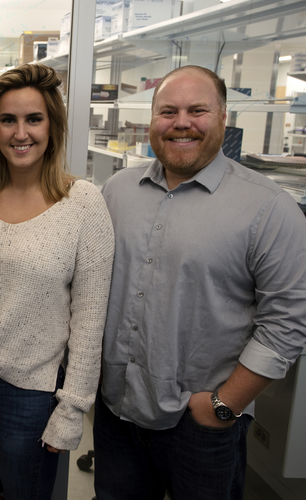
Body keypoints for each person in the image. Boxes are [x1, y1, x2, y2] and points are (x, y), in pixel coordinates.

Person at [95, 65, 306, 500]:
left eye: (198, 110)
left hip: (201, 425)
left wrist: (223, 406)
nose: (181, 123)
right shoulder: (116, 192)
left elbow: (287, 324)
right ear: (151, 120)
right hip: (117, 411)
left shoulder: (269, 209)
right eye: (168, 111)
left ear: (224, 117)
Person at [0, 64, 115, 500]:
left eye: (34, 119)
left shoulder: (83, 204)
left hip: (30, 390)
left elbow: (90, 318)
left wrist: (72, 409)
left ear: (53, 126)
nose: (20, 132)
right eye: (8, 119)